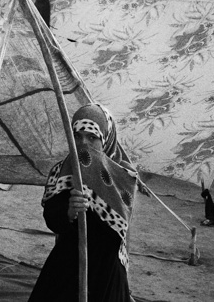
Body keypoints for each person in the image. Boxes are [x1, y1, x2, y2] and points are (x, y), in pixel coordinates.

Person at [28, 104, 139, 302]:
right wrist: (68, 211)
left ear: (106, 138)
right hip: (68, 264)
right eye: (77, 136)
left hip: (106, 271)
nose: (83, 143)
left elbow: (123, 233)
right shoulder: (65, 169)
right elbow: (52, 218)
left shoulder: (123, 175)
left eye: (92, 137)